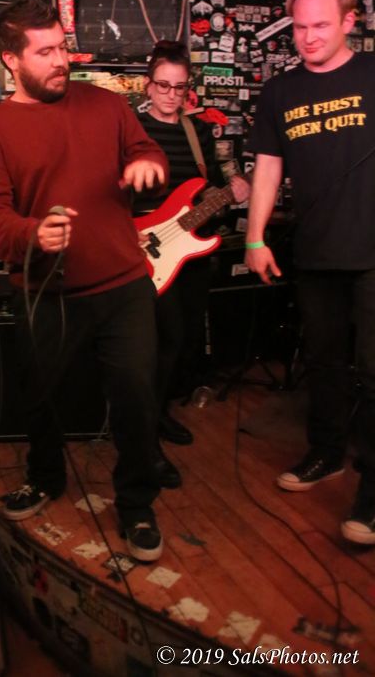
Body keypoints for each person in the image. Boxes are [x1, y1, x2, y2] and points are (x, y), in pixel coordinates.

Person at [0, 0, 168, 562]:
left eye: (63, 46)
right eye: (45, 52)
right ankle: (45, 476)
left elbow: (146, 148)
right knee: (41, 396)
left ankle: (137, 503)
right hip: (47, 294)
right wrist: (33, 233)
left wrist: (148, 164)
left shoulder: (107, 104)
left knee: (136, 396)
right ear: (11, 60)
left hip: (123, 285)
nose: (62, 60)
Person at [245, 0, 375, 545]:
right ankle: (326, 453)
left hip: (373, 252)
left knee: (374, 372)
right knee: (323, 364)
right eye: (299, 27)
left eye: (321, 25)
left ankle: (374, 491)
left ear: (349, 21)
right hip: (316, 250)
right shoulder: (281, 90)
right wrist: (255, 237)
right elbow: (268, 168)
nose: (308, 37)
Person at [134, 42, 249, 471]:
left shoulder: (196, 132)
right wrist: (128, 232)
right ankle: (144, 427)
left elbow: (208, 188)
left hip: (190, 252)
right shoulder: (131, 128)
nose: (171, 94)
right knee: (162, 339)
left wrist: (233, 192)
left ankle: (159, 412)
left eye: (179, 87)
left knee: (181, 341)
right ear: (148, 85)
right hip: (146, 247)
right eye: (163, 85)